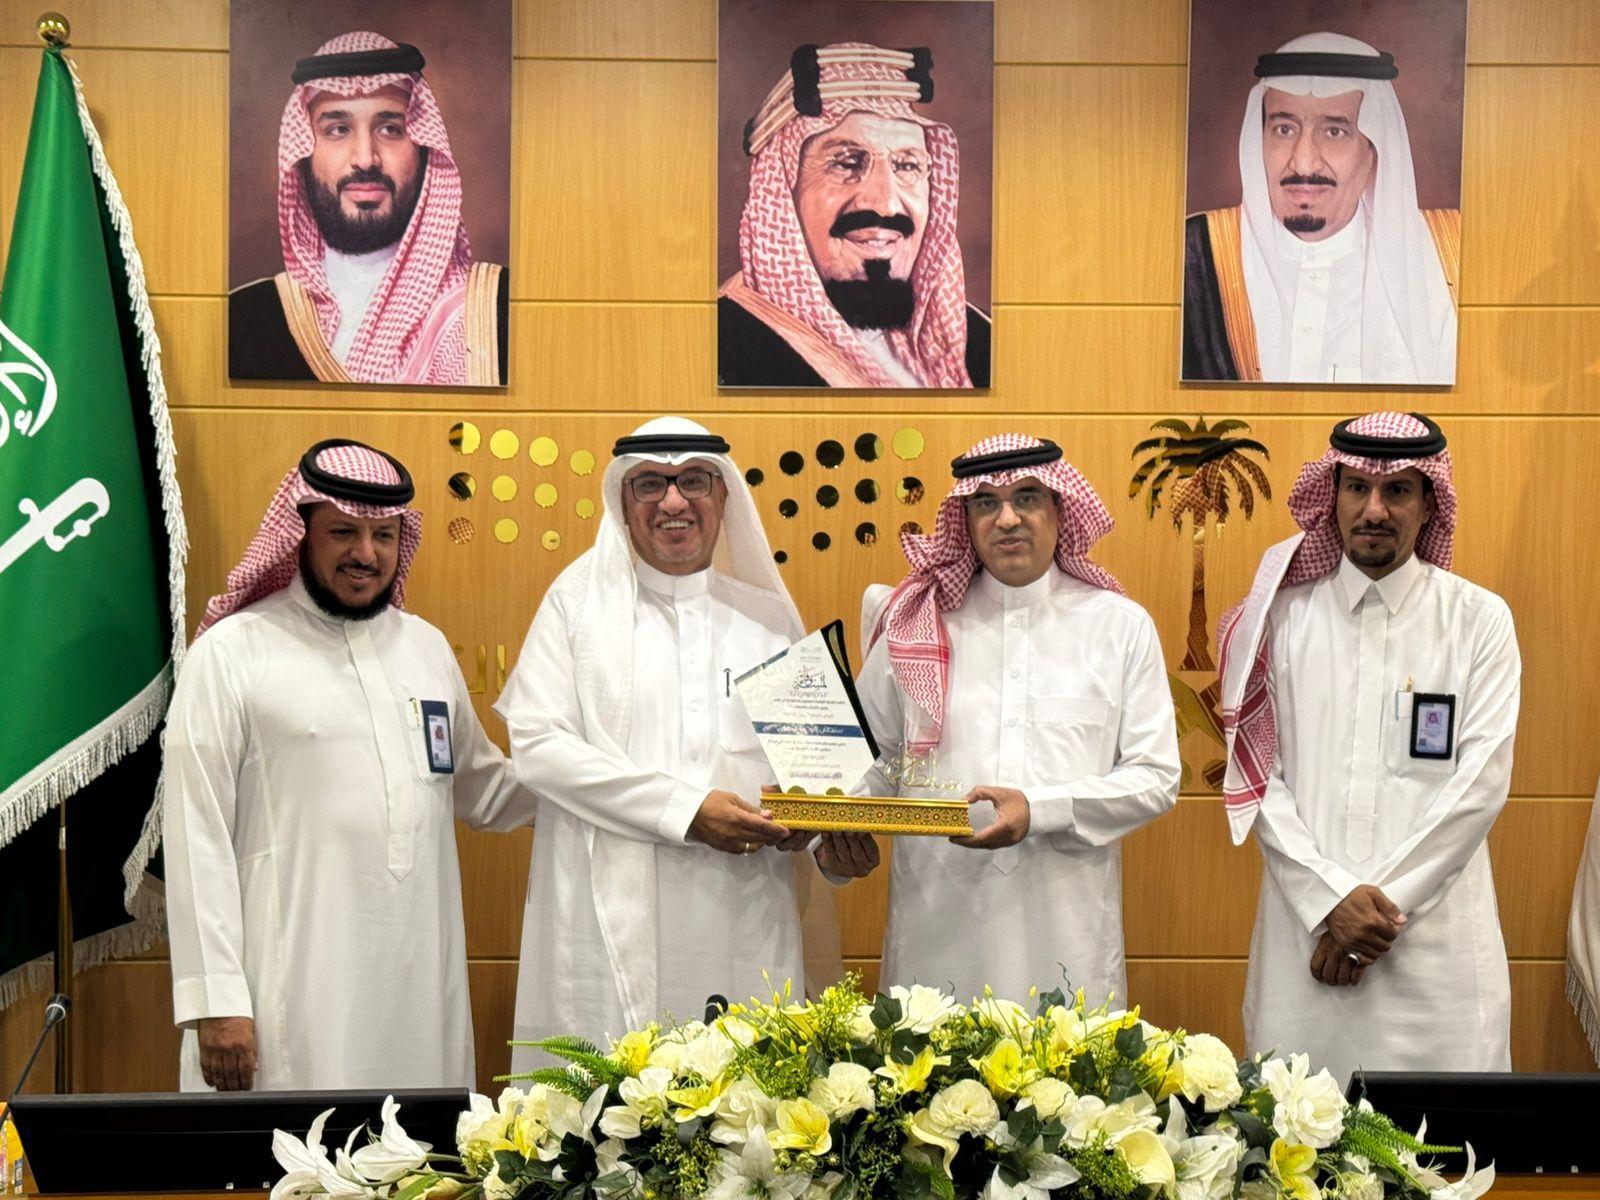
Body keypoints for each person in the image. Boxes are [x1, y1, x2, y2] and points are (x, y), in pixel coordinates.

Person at [495, 416, 874, 1058]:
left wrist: (835, 853)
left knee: (749, 1105)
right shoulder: (576, 607)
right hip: (609, 917)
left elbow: (826, 784)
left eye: (693, 481)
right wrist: (686, 809)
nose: (673, 501)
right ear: (623, 500)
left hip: (746, 921)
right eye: (650, 484)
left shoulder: (768, 620)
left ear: (724, 495)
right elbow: (537, 749)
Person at [162, 439, 533, 1091]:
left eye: (384, 535)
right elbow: (196, 833)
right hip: (284, 996)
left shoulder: (425, 650)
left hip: (418, 991)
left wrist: (603, 784)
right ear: (300, 533)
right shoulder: (232, 653)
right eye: (343, 532)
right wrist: (216, 1000)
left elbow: (486, 791)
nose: (366, 553)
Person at [1217, 412, 1519, 1083]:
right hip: (1306, 945)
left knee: (1446, 1141)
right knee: (1292, 1137)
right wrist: (1330, 903)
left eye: (1398, 491)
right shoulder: (1279, 619)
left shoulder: (1478, 620)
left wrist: (1373, 918)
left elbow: (1480, 787)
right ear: (1332, 496)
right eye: (1356, 487)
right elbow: (1256, 779)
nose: (1374, 510)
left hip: (1435, 962)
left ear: (1430, 503)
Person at [854, 434, 1180, 1005]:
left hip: (1066, 937)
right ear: (965, 519)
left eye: (1027, 497)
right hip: (936, 928)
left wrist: (1041, 809)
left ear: (1060, 508)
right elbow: (876, 762)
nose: (1007, 519)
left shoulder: (1119, 626)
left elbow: (1156, 777)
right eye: (986, 502)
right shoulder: (914, 623)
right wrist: (829, 825)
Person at [229, 31, 508, 386]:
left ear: (423, 150)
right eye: (337, 130)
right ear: (303, 154)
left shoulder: (500, 309)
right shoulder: (247, 319)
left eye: (390, 129)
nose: (365, 158)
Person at [1182, 32, 1459, 384]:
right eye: (1284, 129)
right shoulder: (1194, 253)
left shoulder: (1447, 256)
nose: (1303, 162)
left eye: (1334, 132)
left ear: (1373, 148)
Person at [719, 43, 989, 388]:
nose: (886, 204)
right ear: (782, 190)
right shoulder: (727, 345)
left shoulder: (979, 340)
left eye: (907, 165)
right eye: (846, 163)